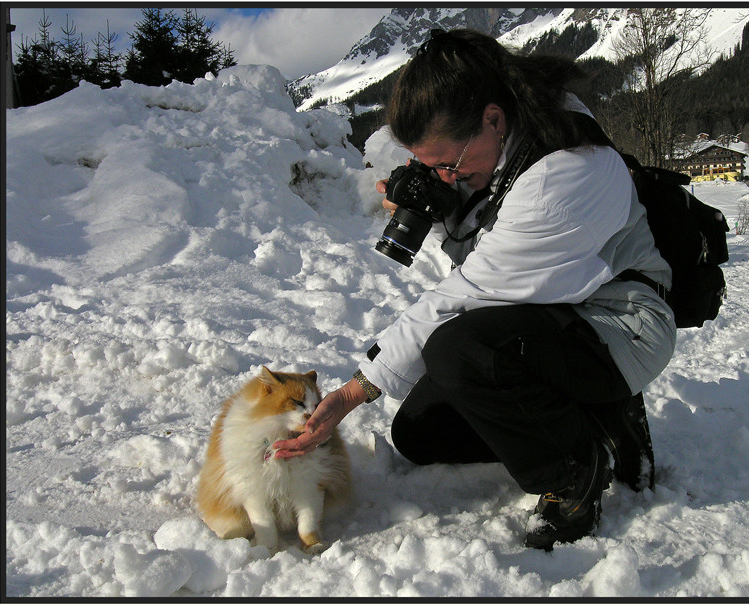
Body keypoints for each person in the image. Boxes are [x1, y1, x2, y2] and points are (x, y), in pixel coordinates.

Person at [274, 28, 676, 551]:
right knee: (420, 435)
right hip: (553, 316)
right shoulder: (503, 140)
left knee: (459, 349)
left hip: (621, 324)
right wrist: (444, 208)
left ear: (492, 117)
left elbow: (474, 290)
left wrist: (356, 389)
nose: (448, 174)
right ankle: (592, 418)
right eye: (433, 166)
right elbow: (494, 263)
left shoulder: (569, 173)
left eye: (451, 163)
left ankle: (575, 470)